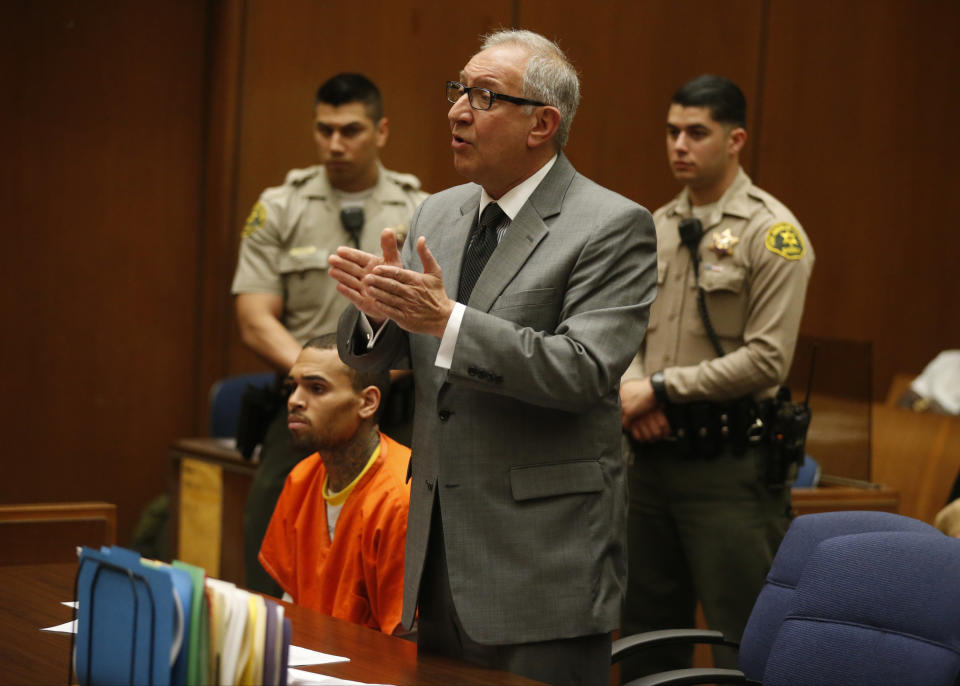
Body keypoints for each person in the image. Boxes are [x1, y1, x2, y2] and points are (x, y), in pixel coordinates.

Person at [328, 29, 657, 686]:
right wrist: (374, 307)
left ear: (543, 123)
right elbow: (391, 352)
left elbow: (583, 371)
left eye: (483, 96)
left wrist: (448, 320)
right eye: (458, 90)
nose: (456, 110)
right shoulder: (440, 212)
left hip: (540, 565)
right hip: (435, 551)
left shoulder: (611, 225)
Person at [618, 75, 815, 680]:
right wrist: (634, 390)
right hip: (649, 462)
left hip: (729, 472)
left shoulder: (772, 232)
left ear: (735, 140)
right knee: (646, 634)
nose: (679, 144)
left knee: (742, 635)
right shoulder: (653, 225)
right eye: (673, 131)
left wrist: (660, 389)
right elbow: (624, 329)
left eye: (696, 132)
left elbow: (766, 360)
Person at [231, 73, 427, 595]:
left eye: (351, 130)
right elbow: (254, 318)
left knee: (397, 555)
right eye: (325, 130)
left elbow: (434, 321)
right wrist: (320, 381)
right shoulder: (280, 206)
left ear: (381, 131)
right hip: (301, 406)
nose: (335, 144)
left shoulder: (422, 210)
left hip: (394, 406)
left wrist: (359, 379)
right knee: (270, 554)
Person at [257, 334, 410, 634]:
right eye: (292, 387)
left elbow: (406, 640)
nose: (294, 401)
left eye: (316, 388)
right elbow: (293, 599)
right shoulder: (301, 478)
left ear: (367, 402)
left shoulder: (402, 498)